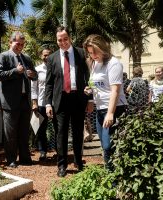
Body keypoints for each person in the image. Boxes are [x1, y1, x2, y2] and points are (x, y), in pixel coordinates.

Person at [45, 26, 90, 177]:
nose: (63, 42)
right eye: (59, 40)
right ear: (56, 40)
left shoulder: (81, 53)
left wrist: (90, 99)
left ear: (70, 38)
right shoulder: (51, 58)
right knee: (61, 134)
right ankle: (62, 165)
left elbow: (90, 78)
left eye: (65, 39)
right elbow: (49, 83)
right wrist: (48, 103)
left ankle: (78, 162)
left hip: (78, 98)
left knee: (78, 133)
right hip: (60, 100)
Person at [83, 34, 127, 170]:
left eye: (95, 51)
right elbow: (99, 84)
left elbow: (115, 90)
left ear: (103, 48)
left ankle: (115, 179)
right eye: (90, 52)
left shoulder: (114, 63)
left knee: (109, 146)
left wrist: (110, 113)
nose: (93, 55)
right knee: (104, 146)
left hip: (115, 108)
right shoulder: (95, 63)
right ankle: (110, 174)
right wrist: (89, 89)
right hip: (100, 109)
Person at [0, 31, 37, 168]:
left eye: (22, 44)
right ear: (10, 42)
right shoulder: (3, 56)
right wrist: (15, 71)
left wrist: (32, 74)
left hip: (25, 100)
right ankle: (11, 159)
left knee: (24, 131)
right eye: (18, 43)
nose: (20, 46)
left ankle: (25, 158)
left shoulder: (27, 58)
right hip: (10, 101)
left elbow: (35, 76)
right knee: (10, 133)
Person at [31, 46, 55, 161]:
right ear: (41, 56)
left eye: (49, 54)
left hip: (55, 103)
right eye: (45, 55)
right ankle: (43, 152)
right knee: (41, 129)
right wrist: (34, 102)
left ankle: (60, 152)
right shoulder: (37, 70)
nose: (47, 57)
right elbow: (33, 88)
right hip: (41, 103)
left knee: (58, 128)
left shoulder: (57, 68)